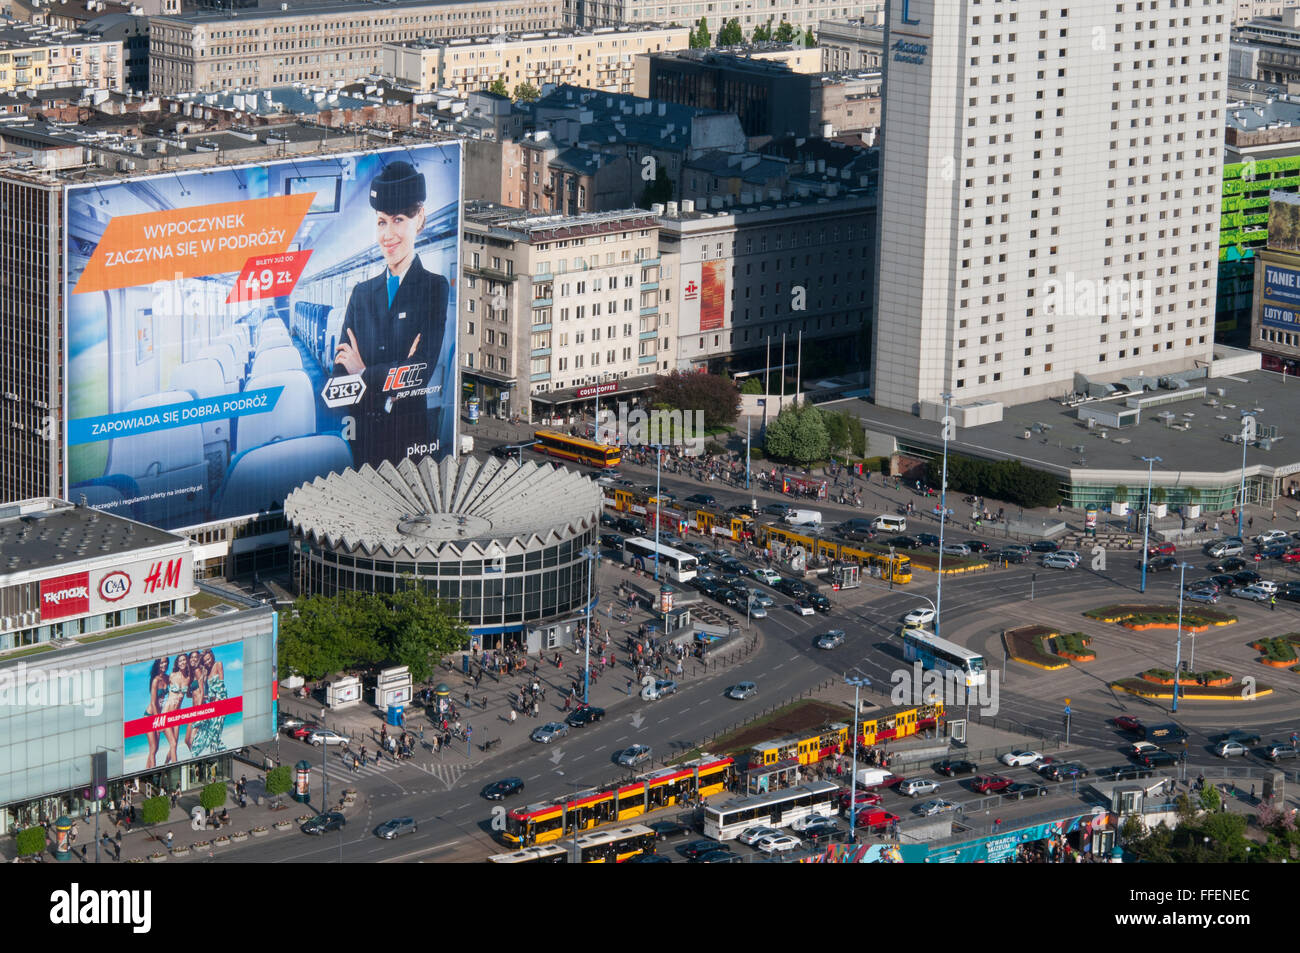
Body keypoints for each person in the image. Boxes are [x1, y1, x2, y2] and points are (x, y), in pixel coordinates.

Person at [335, 159, 450, 469]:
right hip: (362, 441)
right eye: (381, 221)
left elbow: (419, 373)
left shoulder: (434, 288)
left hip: (410, 443)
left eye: (398, 219)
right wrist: (392, 380)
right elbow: (337, 382)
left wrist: (363, 372)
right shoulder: (360, 294)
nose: (387, 234)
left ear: (420, 219)